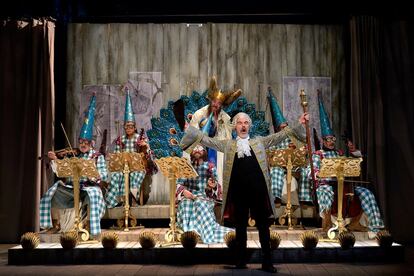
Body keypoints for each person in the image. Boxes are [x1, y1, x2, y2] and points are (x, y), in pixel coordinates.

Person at [181, 111, 308, 273]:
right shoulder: (228, 145)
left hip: (258, 191)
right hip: (238, 192)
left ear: (250, 126)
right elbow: (207, 140)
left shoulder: (259, 142)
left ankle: (267, 262)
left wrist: (299, 123)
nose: (243, 125)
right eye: (240, 123)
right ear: (235, 127)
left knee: (263, 227)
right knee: (240, 228)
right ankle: (240, 261)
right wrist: (190, 129)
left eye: (246, 123)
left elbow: (280, 136)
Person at [306, 92, 384, 236]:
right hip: (327, 185)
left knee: (366, 193)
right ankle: (327, 224)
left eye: (333, 139)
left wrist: (355, 153)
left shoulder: (340, 153)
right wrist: (317, 173)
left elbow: (353, 164)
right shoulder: (318, 154)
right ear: (323, 141)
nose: (331, 141)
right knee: (326, 193)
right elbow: (309, 171)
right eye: (328, 139)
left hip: (343, 184)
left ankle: (363, 224)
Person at [39, 94, 108, 237]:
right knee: (53, 191)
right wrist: (55, 160)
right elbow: (60, 171)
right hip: (72, 187)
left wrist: (92, 176)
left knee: (94, 194)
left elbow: (104, 177)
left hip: (87, 187)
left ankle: (90, 226)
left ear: (91, 143)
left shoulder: (97, 156)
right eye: (81, 141)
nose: (82, 145)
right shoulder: (72, 154)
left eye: (86, 142)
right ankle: (55, 224)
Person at [105, 88, 157, 208]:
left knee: (136, 175)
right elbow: (118, 155)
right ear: (124, 127)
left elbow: (148, 154)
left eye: (131, 126)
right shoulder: (121, 139)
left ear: (134, 127)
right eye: (127, 126)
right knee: (116, 176)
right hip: (124, 166)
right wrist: (115, 159)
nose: (129, 128)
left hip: (137, 166)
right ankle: (118, 200)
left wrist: (145, 147)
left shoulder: (139, 138)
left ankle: (133, 197)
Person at [189, 76, 241, 185]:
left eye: (219, 103)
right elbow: (192, 133)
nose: (215, 105)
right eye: (214, 101)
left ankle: (218, 190)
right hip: (200, 145)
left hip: (217, 147)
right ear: (210, 100)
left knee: (221, 156)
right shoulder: (199, 114)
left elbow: (227, 138)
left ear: (222, 105)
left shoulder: (225, 117)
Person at [176, 145, 232, 243]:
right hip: (188, 196)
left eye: (200, 148)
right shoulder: (186, 166)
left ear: (205, 152)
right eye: (195, 148)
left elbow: (217, 186)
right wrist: (184, 192)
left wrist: (212, 186)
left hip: (204, 197)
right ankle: (188, 234)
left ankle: (200, 233)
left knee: (200, 204)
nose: (197, 150)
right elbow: (179, 183)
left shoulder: (210, 167)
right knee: (186, 205)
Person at [267, 90, 313, 207]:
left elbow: (304, 145)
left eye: (286, 127)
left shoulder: (294, 136)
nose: (285, 130)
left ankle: (304, 199)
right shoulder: (274, 140)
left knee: (305, 171)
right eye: (282, 128)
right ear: (278, 130)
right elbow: (270, 155)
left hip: (295, 166)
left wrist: (299, 149)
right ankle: (276, 198)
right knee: (275, 171)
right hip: (281, 167)